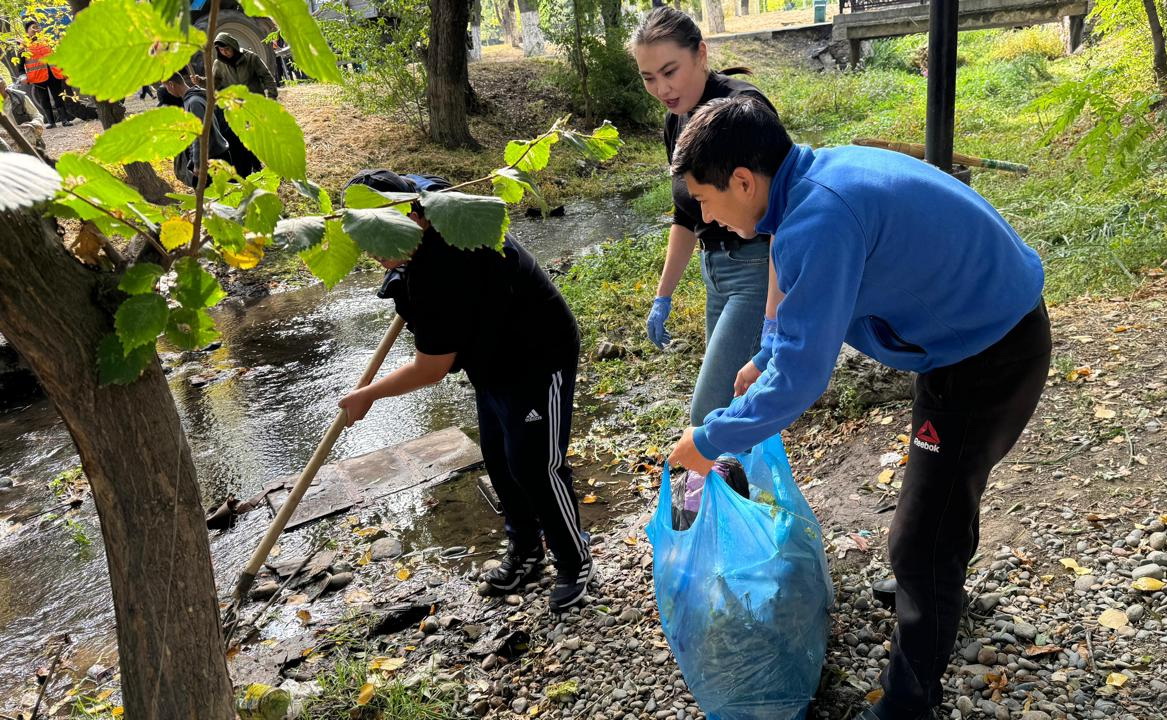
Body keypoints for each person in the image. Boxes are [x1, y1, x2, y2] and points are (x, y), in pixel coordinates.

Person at [665, 96, 1052, 720]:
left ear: (742, 181)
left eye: (704, 202)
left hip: (989, 356)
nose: (705, 219)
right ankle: (930, 584)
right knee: (938, 507)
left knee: (923, 535)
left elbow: (803, 378)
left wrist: (708, 439)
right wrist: (762, 359)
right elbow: (798, 321)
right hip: (966, 340)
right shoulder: (812, 183)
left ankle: (908, 702)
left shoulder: (819, 218)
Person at [336, 169, 594, 613]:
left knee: (534, 465)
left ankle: (574, 560)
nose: (374, 253)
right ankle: (527, 552)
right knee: (500, 458)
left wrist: (368, 395)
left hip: (537, 353)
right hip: (490, 358)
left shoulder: (443, 262)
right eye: (366, 240)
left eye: (382, 240)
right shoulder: (430, 202)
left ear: (411, 215)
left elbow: (431, 368)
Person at [628, 6, 783, 430]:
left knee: (711, 411)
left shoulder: (743, 111)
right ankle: (744, 493)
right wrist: (664, 296)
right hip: (714, 272)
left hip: (755, 269)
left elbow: (781, 214)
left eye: (669, 71)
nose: (661, 88)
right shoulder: (676, 121)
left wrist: (773, 316)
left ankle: (720, 491)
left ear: (700, 53)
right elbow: (685, 215)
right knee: (736, 406)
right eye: (648, 78)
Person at [160, 72, 230, 188]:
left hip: (212, 159)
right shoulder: (195, 97)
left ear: (171, 84)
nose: (168, 91)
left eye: (166, 87)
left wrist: (198, 164)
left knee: (214, 199)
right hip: (214, 154)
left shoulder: (194, 102)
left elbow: (199, 135)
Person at [22, 21, 71, 128]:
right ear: (27, 31)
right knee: (44, 99)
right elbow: (20, 64)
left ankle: (65, 120)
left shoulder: (47, 41)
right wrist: (23, 75)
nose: (36, 29)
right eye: (33, 28)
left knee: (58, 96)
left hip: (53, 73)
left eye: (37, 27)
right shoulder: (24, 45)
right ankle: (51, 122)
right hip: (38, 77)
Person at [211, 33, 278, 99]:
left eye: (227, 49)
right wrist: (201, 81)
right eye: (221, 50)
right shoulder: (218, 64)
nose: (224, 53)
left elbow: (267, 78)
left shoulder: (251, 58)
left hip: (255, 103)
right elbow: (213, 85)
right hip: (235, 106)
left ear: (233, 46)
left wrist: (272, 97)